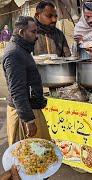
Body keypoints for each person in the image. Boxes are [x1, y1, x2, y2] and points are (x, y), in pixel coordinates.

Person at [2, 16, 51, 145]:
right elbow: (17, 91)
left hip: (29, 109)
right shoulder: (14, 54)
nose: (36, 36)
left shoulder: (21, 50)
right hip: (24, 114)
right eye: (33, 32)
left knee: (41, 158)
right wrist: (29, 120)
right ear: (21, 33)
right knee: (29, 160)